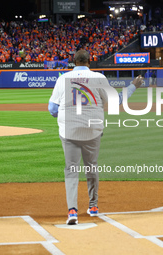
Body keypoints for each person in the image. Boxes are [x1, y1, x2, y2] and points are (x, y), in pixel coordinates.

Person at [48, 50, 143, 225]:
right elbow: (117, 100)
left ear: (73, 61)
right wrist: (133, 86)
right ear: (89, 62)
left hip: (69, 130)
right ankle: (93, 207)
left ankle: (72, 211)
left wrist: (61, 114)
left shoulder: (62, 79)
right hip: (93, 129)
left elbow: (52, 109)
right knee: (91, 166)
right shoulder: (99, 77)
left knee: (71, 169)